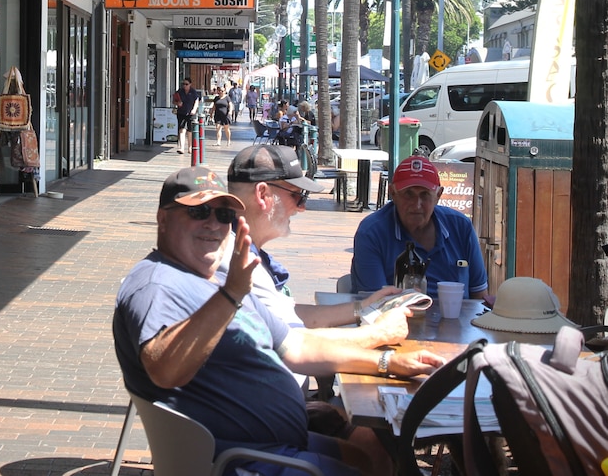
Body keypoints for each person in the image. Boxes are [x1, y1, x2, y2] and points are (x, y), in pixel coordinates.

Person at [113, 166, 446, 476]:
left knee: (372, 455)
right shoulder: (158, 284)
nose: (213, 224)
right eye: (198, 212)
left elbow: (297, 345)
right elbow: (164, 369)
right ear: (162, 219)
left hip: (273, 442)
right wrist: (231, 295)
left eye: (224, 214)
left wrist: (389, 361)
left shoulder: (218, 279)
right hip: (238, 459)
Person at [225, 145, 409, 476]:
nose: (302, 208)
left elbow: (290, 317)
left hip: (274, 409)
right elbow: (298, 348)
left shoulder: (242, 252)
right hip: (262, 428)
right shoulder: (237, 265)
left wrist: (361, 307)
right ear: (264, 195)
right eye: (298, 196)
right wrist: (380, 339)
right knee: (375, 442)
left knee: (372, 438)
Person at [351, 155, 490, 299]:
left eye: (425, 195)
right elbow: (374, 304)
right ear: (393, 193)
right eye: (408, 194)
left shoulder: (461, 227)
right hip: (393, 318)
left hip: (457, 319)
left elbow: (479, 296)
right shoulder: (372, 232)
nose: (417, 205)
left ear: (438, 195)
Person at [173, 76, 200, 155]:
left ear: (190, 84)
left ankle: (190, 147)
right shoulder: (179, 92)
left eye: (186, 84)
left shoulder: (193, 92)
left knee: (190, 131)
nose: (184, 86)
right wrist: (177, 103)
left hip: (190, 113)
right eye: (183, 84)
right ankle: (181, 148)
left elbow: (196, 101)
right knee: (182, 129)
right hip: (181, 112)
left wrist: (194, 109)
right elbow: (174, 101)